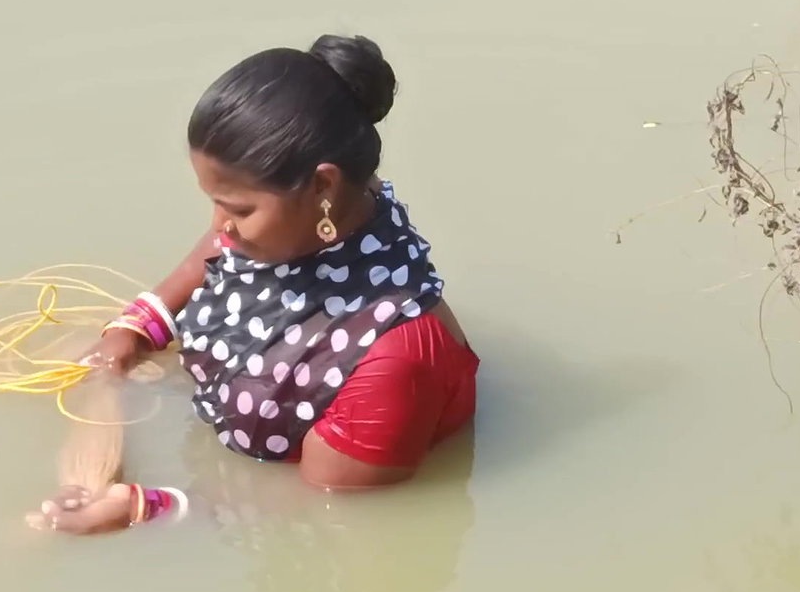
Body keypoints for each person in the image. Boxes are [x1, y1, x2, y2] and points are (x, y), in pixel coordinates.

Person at [33, 34, 479, 534]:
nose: (220, 225)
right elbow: (213, 250)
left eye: (239, 209)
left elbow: (328, 508)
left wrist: (146, 508)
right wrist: (134, 330)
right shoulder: (324, 215)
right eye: (217, 201)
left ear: (322, 187)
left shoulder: (394, 366)